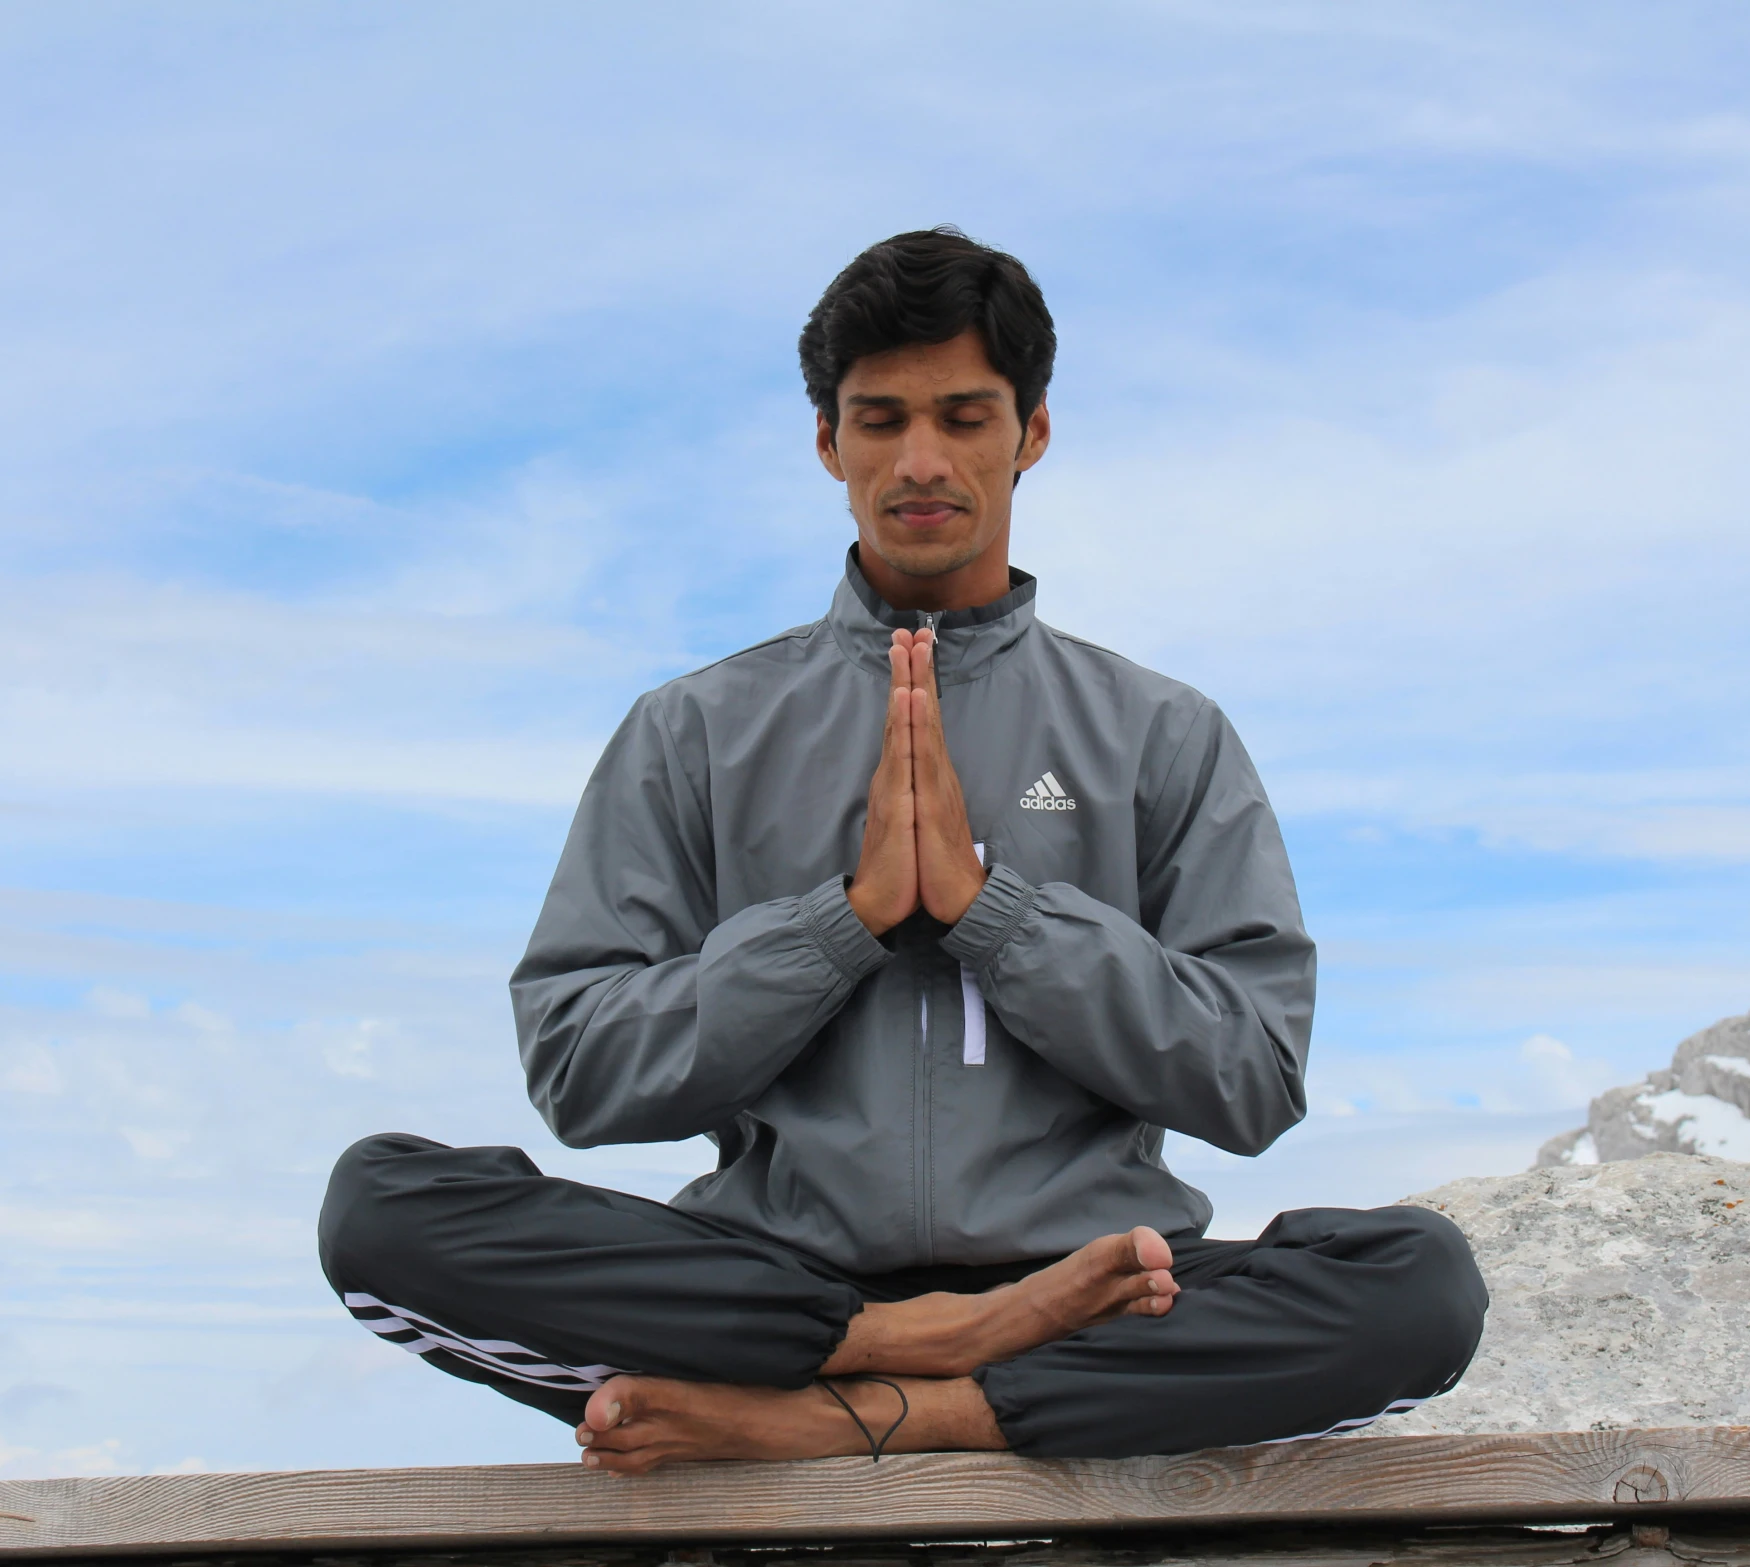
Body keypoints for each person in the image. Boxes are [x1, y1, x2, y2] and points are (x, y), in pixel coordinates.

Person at [317, 227, 1487, 1474]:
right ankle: (893, 1347)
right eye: (879, 421)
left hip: (1086, 1289)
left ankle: (859, 1412)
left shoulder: (1161, 732)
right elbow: (581, 1071)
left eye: (963, 416)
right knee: (380, 1206)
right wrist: (843, 922)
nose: (920, 461)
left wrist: (997, 915)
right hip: (772, 1282)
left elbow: (1252, 1076)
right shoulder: (694, 728)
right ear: (828, 441)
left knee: (1420, 1284)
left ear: (1030, 432)